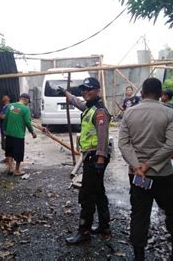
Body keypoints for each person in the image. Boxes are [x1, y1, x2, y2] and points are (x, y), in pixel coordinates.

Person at [118, 78, 173, 260]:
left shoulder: (129, 113)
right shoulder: (168, 113)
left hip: (138, 177)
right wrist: (148, 165)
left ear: (143, 93)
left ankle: (139, 257)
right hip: (162, 174)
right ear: (160, 94)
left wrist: (138, 167)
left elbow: (123, 144)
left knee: (139, 213)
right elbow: (171, 146)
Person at [59, 77, 111, 244]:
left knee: (87, 195)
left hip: (96, 157)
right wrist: (66, 93)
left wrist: (100, 160)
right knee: (98, 191)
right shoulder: (89, 107)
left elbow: (103, 137)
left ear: (97, 90)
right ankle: (104, 225)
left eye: (89, 89)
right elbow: (77, 102)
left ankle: (84, 231)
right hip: (92, 156)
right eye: (83, 89)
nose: (85, 92)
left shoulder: (100, 111)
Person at [4, 93, 37, 176]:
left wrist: (5, 129)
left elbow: (5, 118)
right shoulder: (25, 109)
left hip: (9, 133)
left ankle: (10, 168)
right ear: (25, 99)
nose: (27, 104)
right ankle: (17, 170)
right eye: (28, 102)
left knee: (9, 151)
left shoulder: (10, 106)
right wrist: (32, 131)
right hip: (18, 135)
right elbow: (27, 122)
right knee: (19, 153)